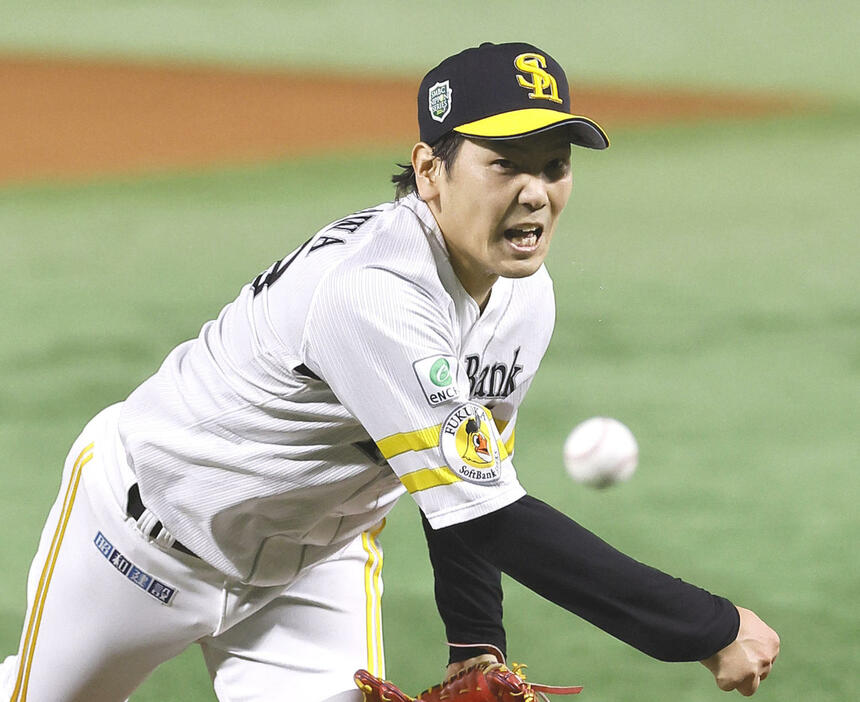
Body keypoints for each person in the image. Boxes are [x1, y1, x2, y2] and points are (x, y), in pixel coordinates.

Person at [0, 42, 778, 702]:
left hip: (313, 567)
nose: (536, 192)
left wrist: (475, 643)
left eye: (554, 166)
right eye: (505, 165)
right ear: (430, 170)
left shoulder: (523, 295)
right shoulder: (372, 292)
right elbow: (490, 516)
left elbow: (469, 478)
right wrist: (706, 627)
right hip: (142, 545)